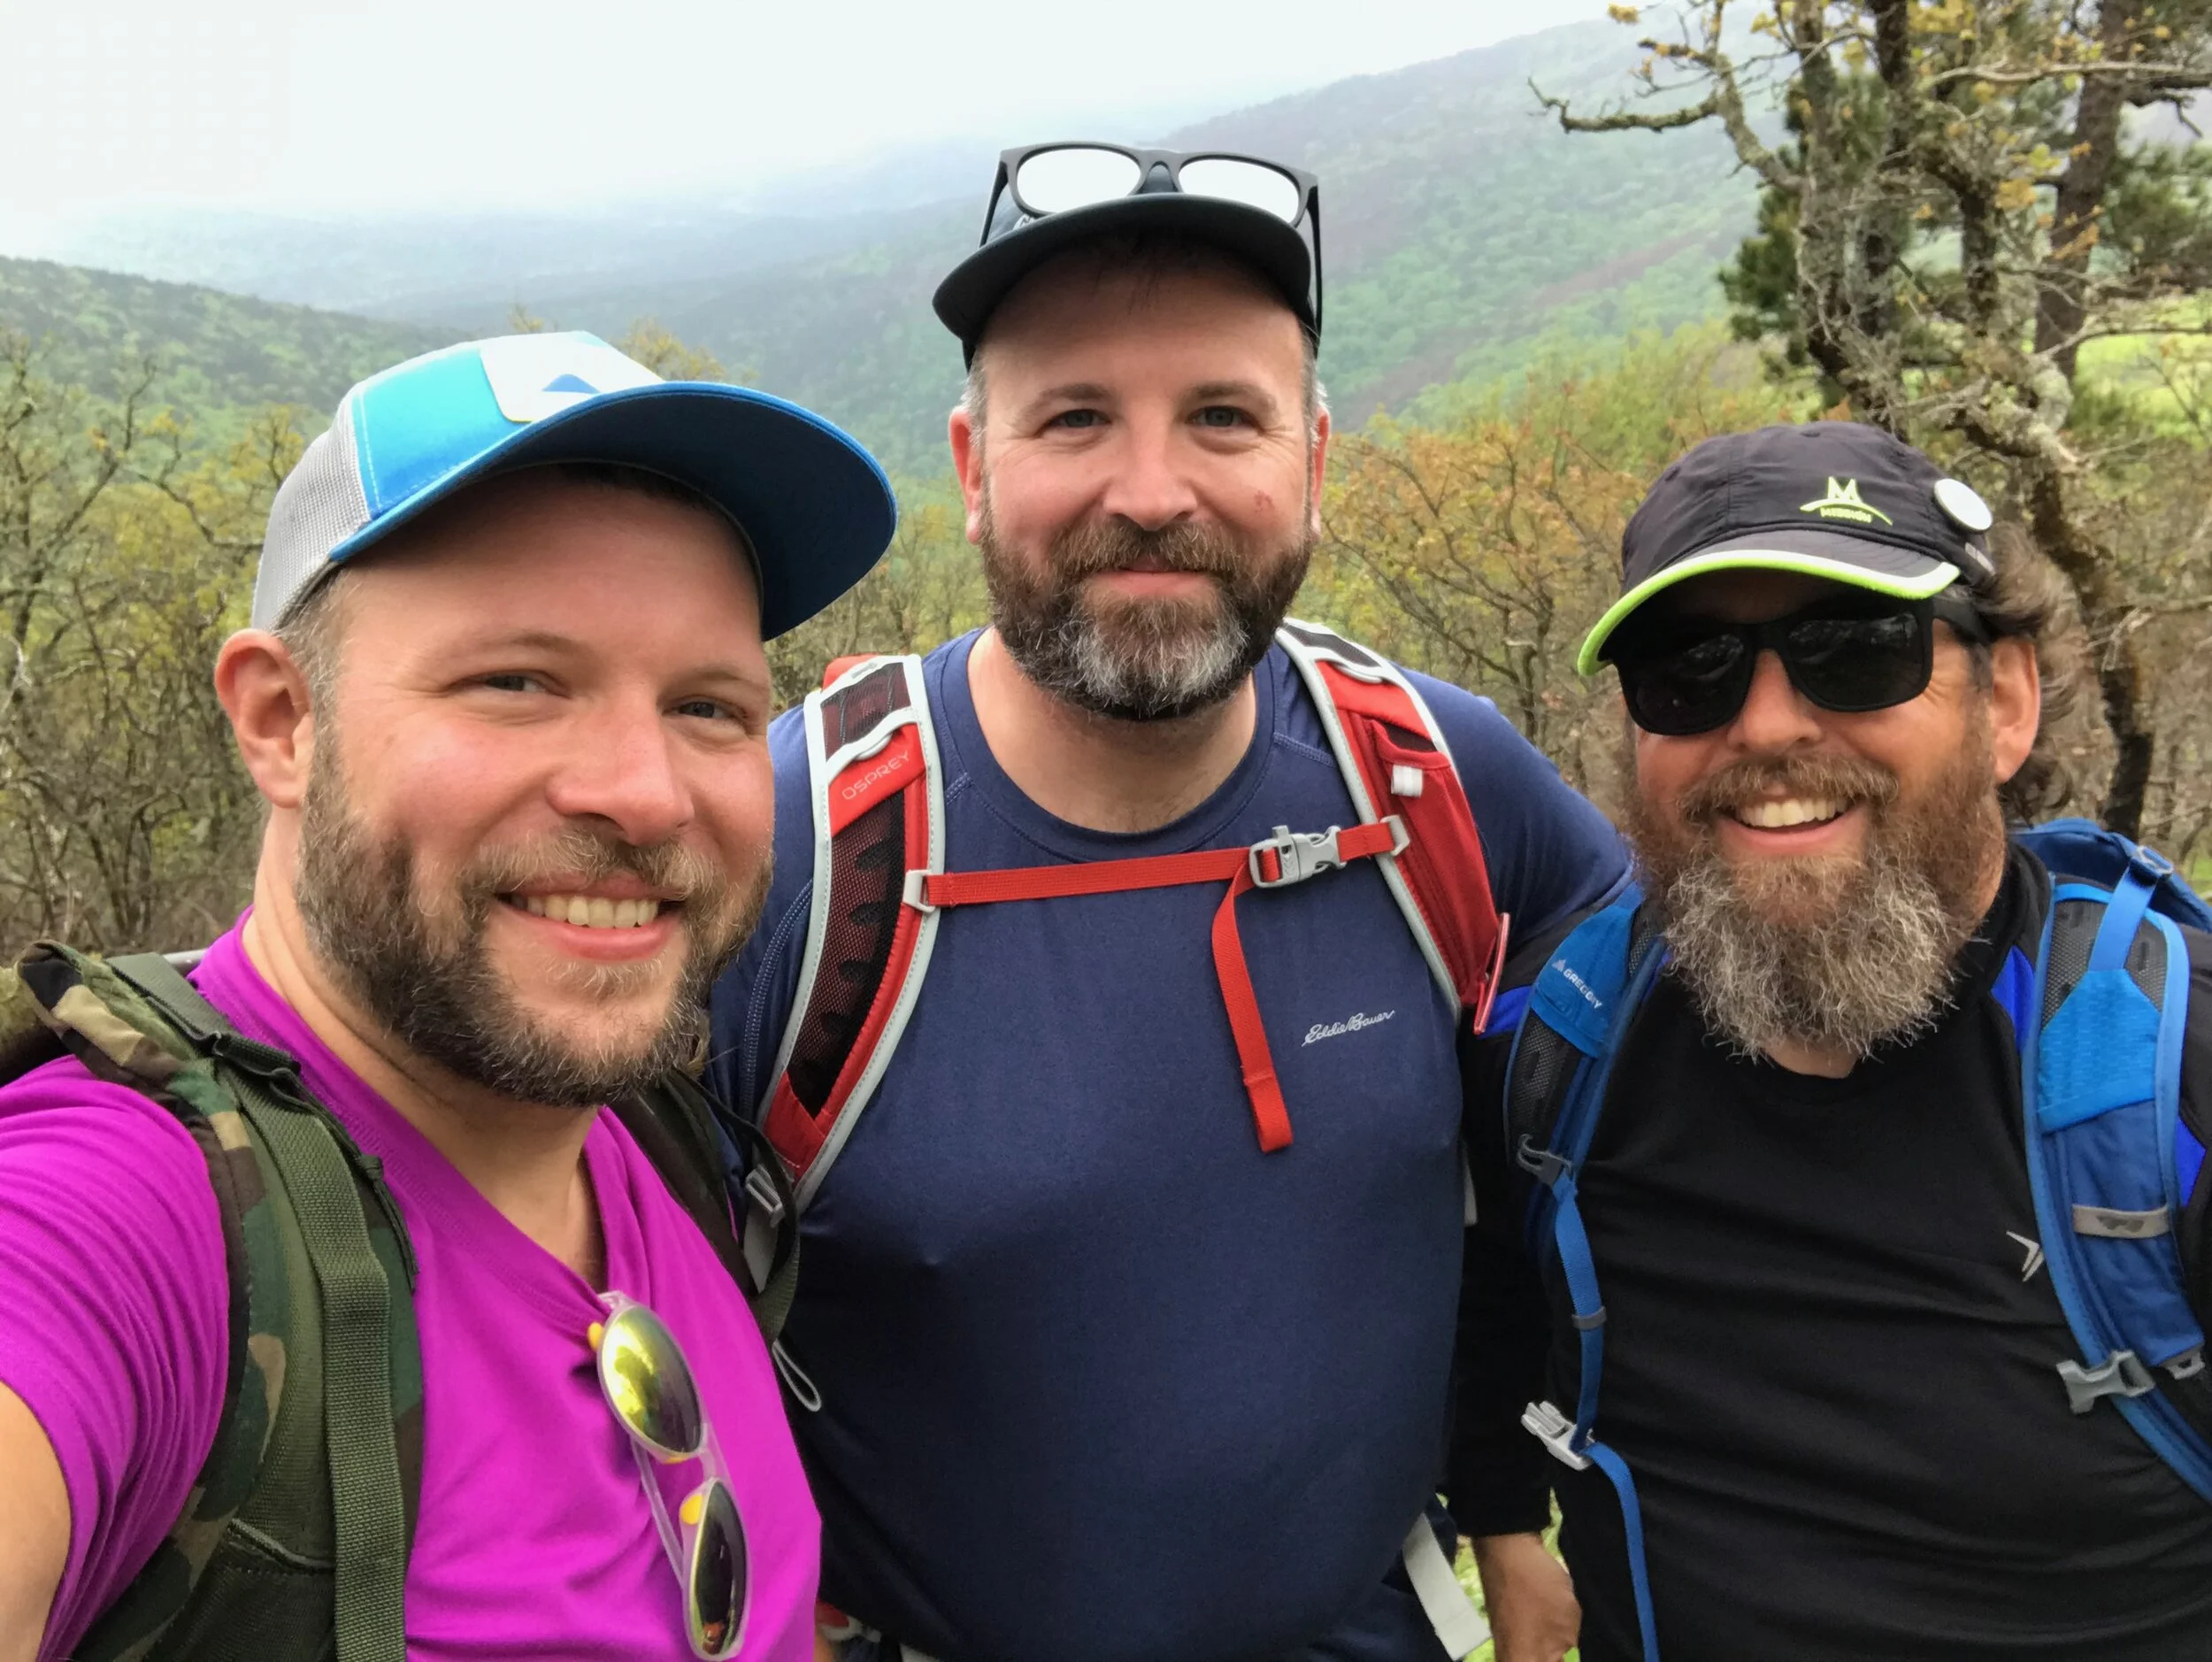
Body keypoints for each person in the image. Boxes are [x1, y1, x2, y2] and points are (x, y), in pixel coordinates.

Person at [706, 143, 1625, 1662]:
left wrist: (1511, 1501)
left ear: (1314, 459)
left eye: (1222, 416)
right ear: (971, 463)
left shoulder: (1436, 792)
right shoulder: (792, 851)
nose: (1152, 491)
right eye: (1075, 417)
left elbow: (1568, 1171)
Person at [0, 330, 897, 1662]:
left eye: (709, 706)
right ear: (280, 720)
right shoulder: (135, 1218)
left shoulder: (650, 1120)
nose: (643, 792)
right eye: (519, 683)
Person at [1457, 419, 2212, 1660]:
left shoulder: (2165, 1088)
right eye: (1688, 669)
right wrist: (1500, 1517)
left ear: (2006, 699)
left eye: (1853, 650)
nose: (1763, 726)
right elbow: (1485, 1299)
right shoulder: (1556, 1050)